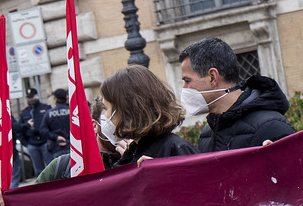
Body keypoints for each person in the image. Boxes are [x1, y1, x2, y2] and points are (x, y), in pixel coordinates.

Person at [29, 67, 195, 186]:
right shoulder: (130, 155)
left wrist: (165, 179)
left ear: (130, 110)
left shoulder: (176, 149)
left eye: (107, 109)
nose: (105, 117)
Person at [178, 37, 295, 152]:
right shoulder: (207, 134)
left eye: (187, 81)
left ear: (213, 77)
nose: (184, 88)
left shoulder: (271, 127)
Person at [14, 87, 52, 187]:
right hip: (32, 144)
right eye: (29, 98)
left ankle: (52, 186)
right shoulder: (25, 112)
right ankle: (41, 189)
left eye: (32, 97)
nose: (31, 99)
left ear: (37, 96)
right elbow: (20, 129)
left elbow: (52, 125)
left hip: (45, 142)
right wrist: (26, 143)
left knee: (50, 167)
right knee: (38, 170)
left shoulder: (46, 108)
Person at [45, 88, 70, 156]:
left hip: (56, 147)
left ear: (55, 99)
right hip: (72, 146)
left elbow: (43, 130)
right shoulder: (72, 111)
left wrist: (56, 137)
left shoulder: (49, 113)